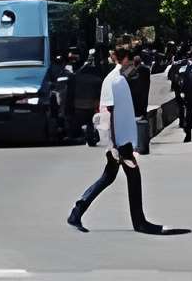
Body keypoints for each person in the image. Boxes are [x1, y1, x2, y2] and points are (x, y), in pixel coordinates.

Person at [68, 46, 172, 235]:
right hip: (119, 141)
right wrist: (115, 145)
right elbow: (111, 112)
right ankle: (140, 222)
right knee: (134, 177)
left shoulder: (119, 80)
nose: (133, 66)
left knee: (108, 176)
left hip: (120, 139)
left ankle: (77, 211)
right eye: (132, 61)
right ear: (125, 60)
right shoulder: (114, 81)